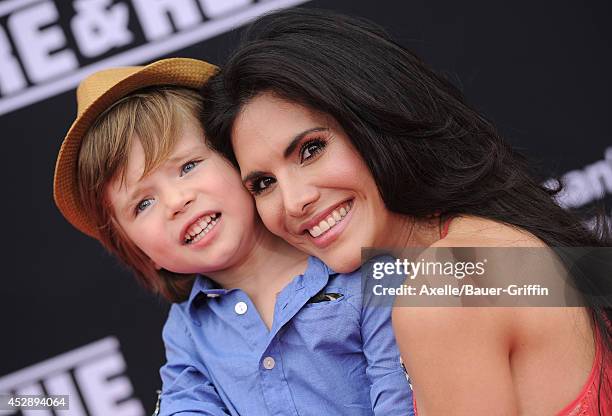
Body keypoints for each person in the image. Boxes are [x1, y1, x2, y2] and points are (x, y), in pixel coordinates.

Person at [200, 8, 612, 415]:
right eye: (263, 184)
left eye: (311, 149)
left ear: (376, 117)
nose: (293, 201)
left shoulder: (444, 286)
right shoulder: (489, 246)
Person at [53, 57, 413, 416]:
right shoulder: (186, 330)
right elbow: (186, 405)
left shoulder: (359, 262)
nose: (177, 202)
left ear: (239, 161)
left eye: (188, 167)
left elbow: (399, 387)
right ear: (140, 252)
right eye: (143, 203)